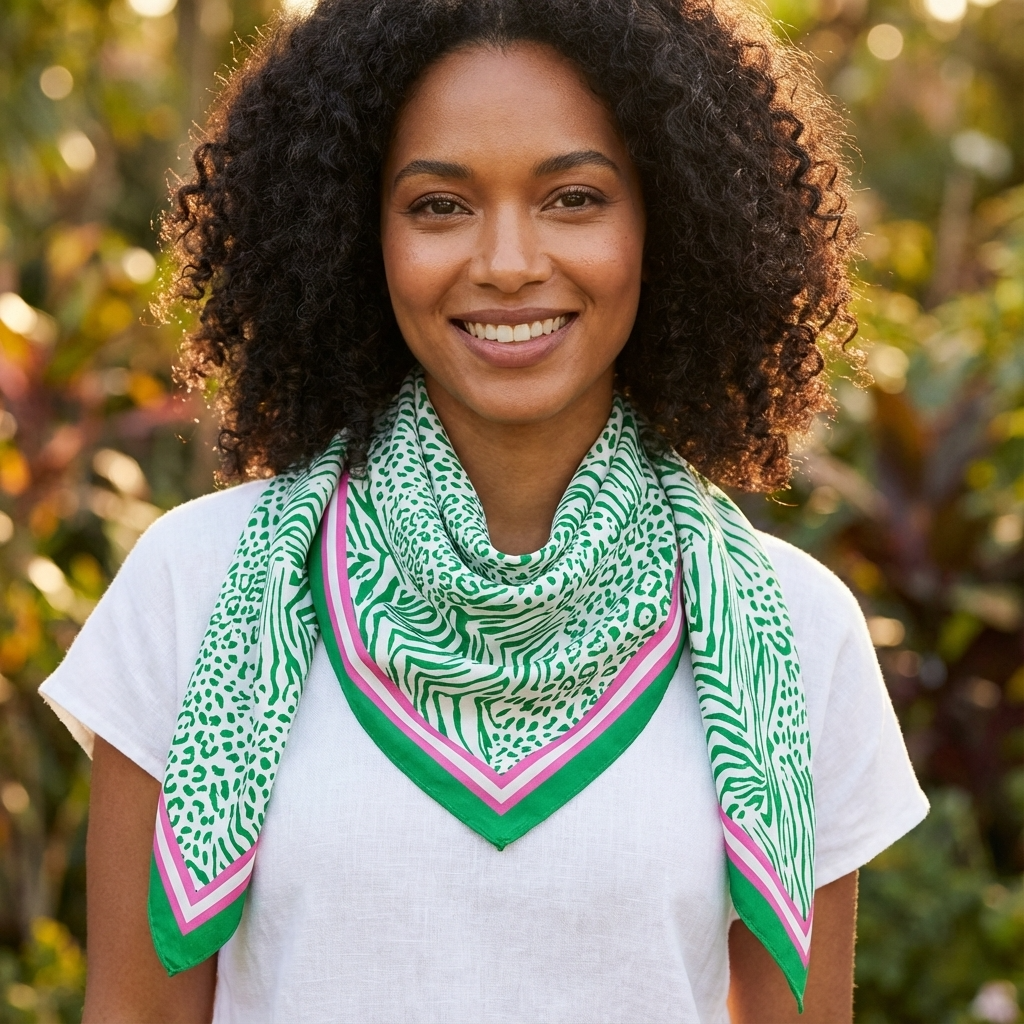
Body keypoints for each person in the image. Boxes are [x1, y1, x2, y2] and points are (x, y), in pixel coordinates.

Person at [39, 0, 929, 1021]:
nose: (507, 262)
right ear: (352, 227)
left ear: (666, 219)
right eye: (438, 206)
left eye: (575, 197)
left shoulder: (789, 630)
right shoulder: (195, 589)